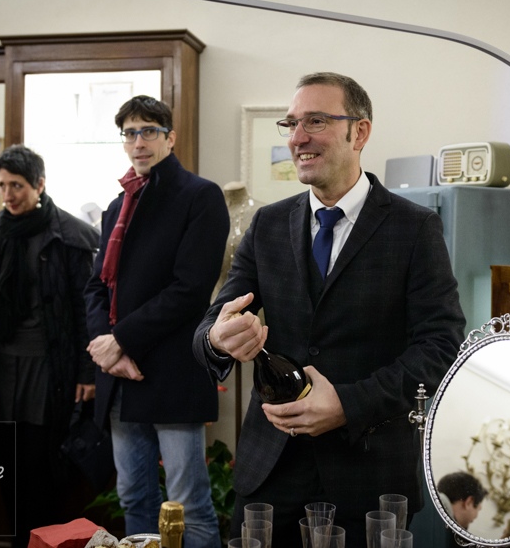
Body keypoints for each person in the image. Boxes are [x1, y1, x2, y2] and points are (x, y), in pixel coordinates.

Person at [193, 72, 465, 547]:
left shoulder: (415, 228)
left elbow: (441, 348)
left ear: (359, 132)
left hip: (368, 477)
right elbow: (212, 325)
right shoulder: (268, 224)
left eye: (315, 121)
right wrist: (219, 338)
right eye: (291, 123)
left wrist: (348, 405)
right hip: (270, 474)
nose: (297, 138)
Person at [85, 95, 229, 546]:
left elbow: (190, 289)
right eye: (130, 133)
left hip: (171, 370)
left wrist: (121, 341)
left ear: (170, 137)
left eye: (149, 131)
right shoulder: (118, 205)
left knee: (189, 507)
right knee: (133, 499)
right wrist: (107, 348)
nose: (138, 142)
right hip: (120, 377)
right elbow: (96, 287)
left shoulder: (200, 196)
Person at [0, 145, 99, 548]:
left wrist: (87, 371)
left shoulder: (72, 236)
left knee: (45, 467)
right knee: (5, 462)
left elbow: (86, 311)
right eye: (2, 185)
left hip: (49, 369)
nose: (8, 194)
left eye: (16, 185)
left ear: (39, 185)